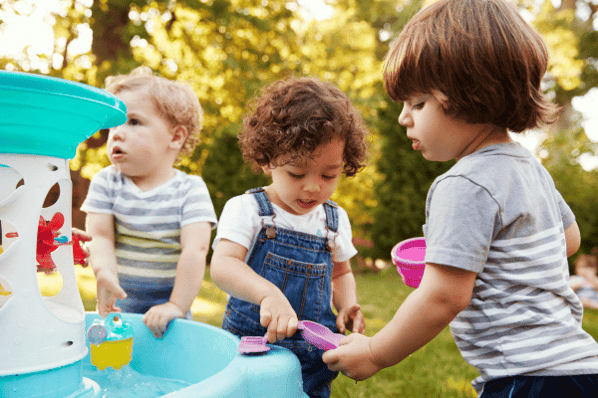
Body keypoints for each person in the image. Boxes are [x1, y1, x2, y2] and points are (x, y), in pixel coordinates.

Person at [322, 0, 598, 396]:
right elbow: (568, 241)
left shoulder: (463, 183)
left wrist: (375, 353)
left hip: (529, 377)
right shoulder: (528, 166)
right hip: (580, 368)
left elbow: (442, 297)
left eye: (418, 103)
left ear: (473, 95)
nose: (404, 117)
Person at [210, 76, 367, 398]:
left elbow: (341, 272)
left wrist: (348, 305)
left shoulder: (334, 220)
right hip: (252, 351)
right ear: (267, 160)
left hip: (312, 357)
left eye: (329, 175)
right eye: (296, 173)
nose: (313, 187)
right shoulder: (248, 209)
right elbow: (224, 266)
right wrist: (267, 294)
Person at [81, 66, 217, 338]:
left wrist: (176, 305)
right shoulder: (107, 182)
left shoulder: (189, 189)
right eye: (114, 124)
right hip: (119, 306)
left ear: (176, 137)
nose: (117, 133)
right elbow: (100, 236)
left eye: (133, 122)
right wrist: (104, 272)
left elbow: (195, 249)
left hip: (169, 316)